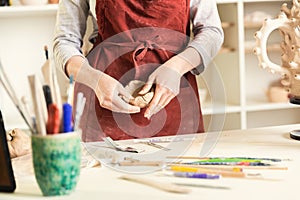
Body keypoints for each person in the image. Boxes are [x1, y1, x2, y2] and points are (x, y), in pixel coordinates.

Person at [53, 0, 224, 141]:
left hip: (174, 96)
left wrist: (177, 66)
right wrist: (95, 80)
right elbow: (65, 41)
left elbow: (212, 31)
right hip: (104, 97)